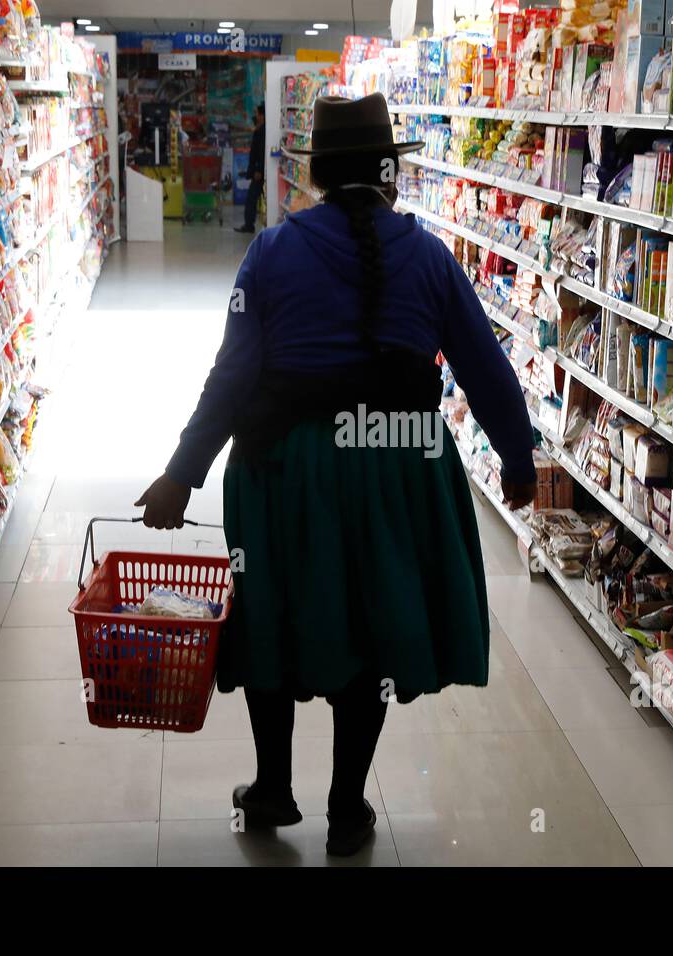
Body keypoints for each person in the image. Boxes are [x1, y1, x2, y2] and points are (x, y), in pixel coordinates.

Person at [137, 93, 537, 857]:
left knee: (274, 616)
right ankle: (348, 807)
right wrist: (519, 460)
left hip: (285, 469)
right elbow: (487, 367)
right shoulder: (429, 256)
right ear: (389, 175)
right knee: (370, 623)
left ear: (314, 171)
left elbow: (232, 375)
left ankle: (272, 787)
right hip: (396, 467)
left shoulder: (273, 252)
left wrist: (182, 473)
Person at [235, 103, 266, 234]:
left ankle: (249, 225)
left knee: (251, 198)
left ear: (262, 115)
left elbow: (260, 151)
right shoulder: (261, 129)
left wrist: (258, 169)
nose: (256, 116)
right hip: (260, 170)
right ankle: (249, 224)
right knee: (254, 198)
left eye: (257, 114)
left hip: (259, 171)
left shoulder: (262, 131)